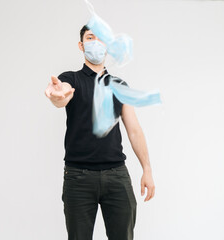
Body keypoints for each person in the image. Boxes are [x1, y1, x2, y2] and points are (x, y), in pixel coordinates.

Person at [45, 25, 155, 240]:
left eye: (101, 39)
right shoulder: (71, 79)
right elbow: (62, 95)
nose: (95, 42)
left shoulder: (119, 85)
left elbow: (134, 130)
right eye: (90, 37)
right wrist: (57, 95)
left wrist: (147, 169)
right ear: (81, 45)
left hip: (117, 176)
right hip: (78, 177)